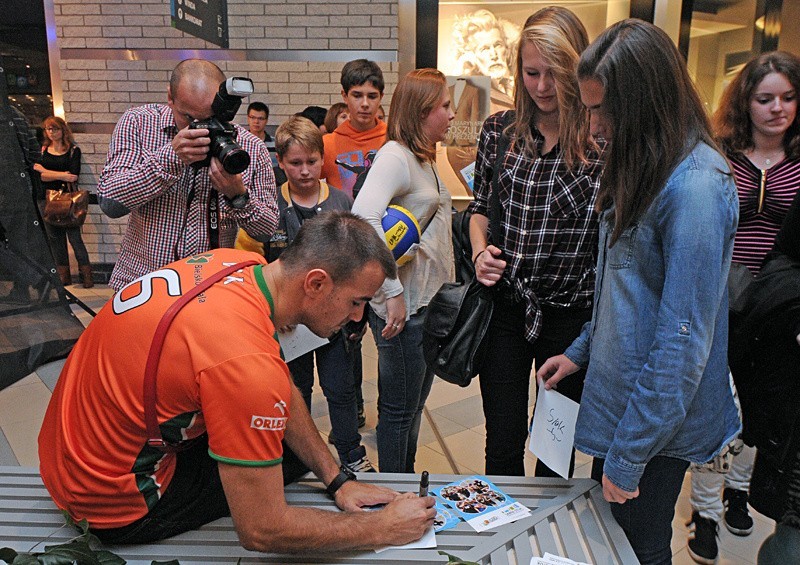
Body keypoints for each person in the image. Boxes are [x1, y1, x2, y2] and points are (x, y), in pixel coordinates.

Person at [37, 211, 436, 550]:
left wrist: (337, 479)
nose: (356, 318)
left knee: (289, 436)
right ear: (316, 283)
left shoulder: (234, 263)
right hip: (105, 499)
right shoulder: (245, 362)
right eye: (356, 302)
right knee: (284, 454)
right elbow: (262, 529)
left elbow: (275, 384)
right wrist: (381, 529)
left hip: (66, 454)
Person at [537, 20, 741, 565]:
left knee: (637, 550)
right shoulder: (645, 162)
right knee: (610, 545)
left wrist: (627, 457)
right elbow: (626, 290)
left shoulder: (698, 186)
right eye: (590, 109)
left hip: (652, 427)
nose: (595, 126)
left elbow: (680, 347)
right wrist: (579, 351)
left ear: (645, 104)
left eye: (604, 110)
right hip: (624, 408)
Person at [468, 7, 603, 478]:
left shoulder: (599, 140)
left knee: (553, 446)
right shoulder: (499, 132)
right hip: (505, 307)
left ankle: (546, 548)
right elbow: (479, 207)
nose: (543, 86)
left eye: (556, 73)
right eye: (532, 72)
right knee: (501, 440)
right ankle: (499, 540)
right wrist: (480, 251)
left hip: (568, 315)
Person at [687, 51, 800, 565]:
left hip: (779, 309)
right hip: (721, 300)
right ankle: (704, 512)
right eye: (765, 98)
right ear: (745, 102)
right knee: (715, 407)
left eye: (789, 97)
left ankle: (739, 489)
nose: (778, 109)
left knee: (762, 410)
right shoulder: (720, 152)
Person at [96, 59, 278, 291]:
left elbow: (266, 230)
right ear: (170, 97)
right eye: (190, 119)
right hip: (141, 285)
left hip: (207, 290)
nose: (202, 129)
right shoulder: (139, 123)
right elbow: (110, 202)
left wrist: (238, 195)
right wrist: (171, 158)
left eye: (212, 118)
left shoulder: (249, 147)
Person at [352, 68, 455, 473]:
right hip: (403, 310)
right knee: (398, 413)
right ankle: (394, 495)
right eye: (444, 106)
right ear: (421, 111)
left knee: (412, 409)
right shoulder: (396, 155)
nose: (451, 114)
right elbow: (364, 216)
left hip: (424, 304)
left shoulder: (424, 156)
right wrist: (392, 290)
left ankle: (405, 484)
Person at [261, 115, 374, 473]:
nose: (305, 171)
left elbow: (358, 263)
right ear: (281, 162)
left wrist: (359, 314)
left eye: (312, 162)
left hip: (334, 320)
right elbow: (256, 257)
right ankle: (300, 456)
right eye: (295, 163)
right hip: (288, 322)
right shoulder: (270, 207)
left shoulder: (340, 200)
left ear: (322, 159)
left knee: (340, 389)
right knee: (296, 389)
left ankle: (351, 454)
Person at [33, 116, 92, 288]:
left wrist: (47, 171)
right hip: (47, 200)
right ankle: (63, 277)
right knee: (55, 239)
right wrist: (61, 175)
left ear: (62, 130)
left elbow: (73, 175)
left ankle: (86, 276)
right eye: (48, 129)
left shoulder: (73, 150)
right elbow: (40, 176)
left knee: (75, 238)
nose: (52, 132)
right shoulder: (43, 150)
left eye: (55, 129)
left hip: (70, 201)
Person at [321, 59, 387, 198]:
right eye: (357, 96)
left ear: (381, 97)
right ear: (345, 96)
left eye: (372, 96)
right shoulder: (327, 144)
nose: (365, 104)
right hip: (342, 217)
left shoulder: (394, 139)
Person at [452, 8, 519, 112]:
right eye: (484, 49)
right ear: (471, 56)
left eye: (498, 45)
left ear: (507, 48)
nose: (494, 55)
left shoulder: (523, 84)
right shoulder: (470, 93)